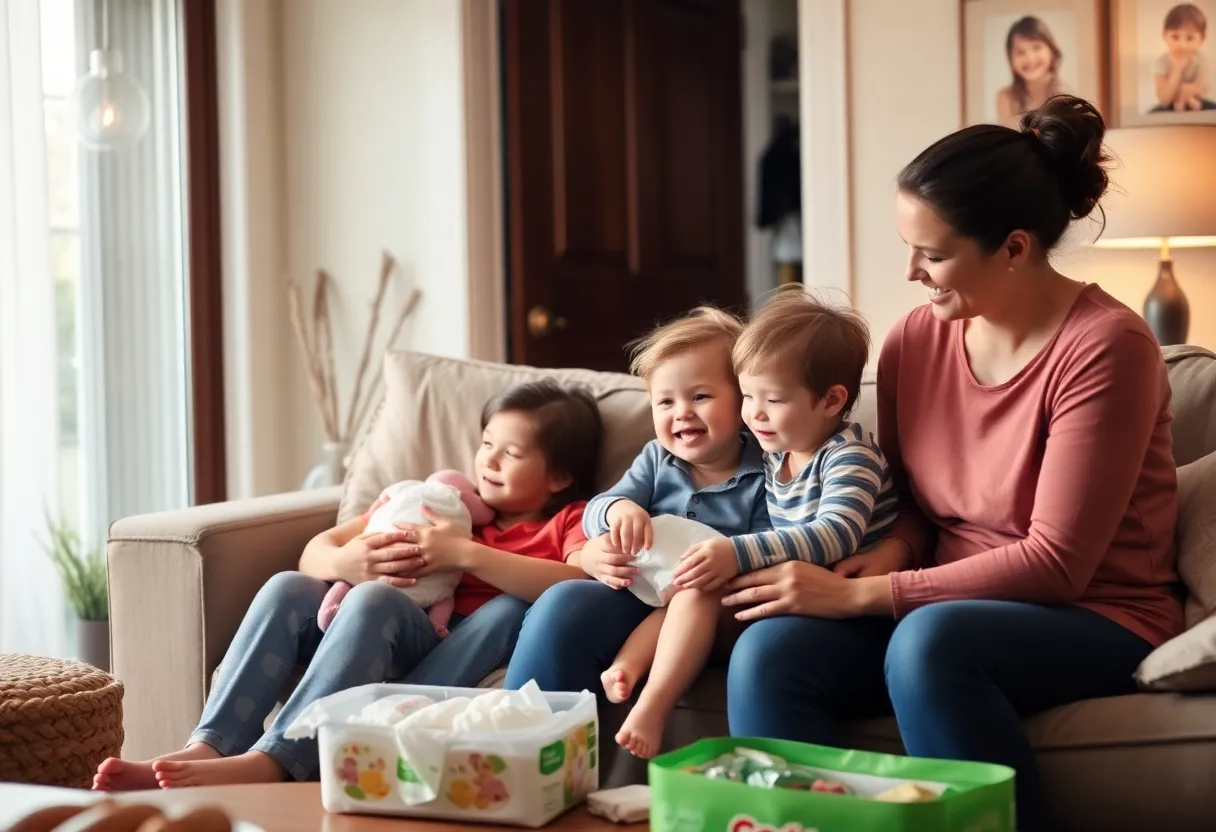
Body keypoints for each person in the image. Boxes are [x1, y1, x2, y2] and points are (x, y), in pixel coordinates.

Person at [721, 94, 1183, 832]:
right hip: (939, 598)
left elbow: (1057, 562)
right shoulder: (915, 340)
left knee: (932, 643)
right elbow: (908, 497)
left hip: (1093, 612)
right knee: (771, 649)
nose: (910, 272)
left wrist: (867, 597)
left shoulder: (1107, 348)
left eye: (932, 254)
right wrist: (898, 547)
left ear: (1014, 248)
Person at [93, 380, 602, 790]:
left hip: (450, 654)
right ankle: (208, 745)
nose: (487, 460)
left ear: (558, 477)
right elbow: (317, 550)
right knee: (288, 586)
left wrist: (467, 554)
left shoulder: (568, 522)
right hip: (370, 636)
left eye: (510, 453)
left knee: (489, 606)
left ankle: (277, 760)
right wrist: (351, 560)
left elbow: (577, 579)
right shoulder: (439, 502)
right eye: (486, 443)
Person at [604, 292, 900, 760]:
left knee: (702, 583)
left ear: (831, 400)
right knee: (693, 586)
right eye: (747, 397)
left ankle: (652, 701)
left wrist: (736, 553)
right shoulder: (779, 449)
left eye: (772, 400)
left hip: (852, 604)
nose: (753, 415)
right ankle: (637, 678)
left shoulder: (850, 456)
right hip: (798, 590)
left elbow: (836, 534)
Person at [504, 307, 769, 757]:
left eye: (701, 396)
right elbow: (597, 509)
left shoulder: (766, 471)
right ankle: (518, 747)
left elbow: (772, 545)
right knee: (563, 602)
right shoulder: (656, 459)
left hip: (712, 602)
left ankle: (649, 699)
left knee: (694, 593)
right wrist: (617, 514)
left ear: (744, 399)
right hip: (637, 590)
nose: (681, 413)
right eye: (665, 402)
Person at [995, 16, 1064, 129]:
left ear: (1051, 51)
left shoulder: (1064, 95)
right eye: (1020, 52)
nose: (1030, 58)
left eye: (1036, 48)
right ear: (1010, 59)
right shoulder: (1005, 98)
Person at [1151, 4, 1215, 112]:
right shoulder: (1161, 62)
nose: (1182, 45)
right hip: (1169, 105)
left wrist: (1182, 91)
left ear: (1202, 39)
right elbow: (1163, 98)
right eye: (1175, 37)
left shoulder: (1201, 60)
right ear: (1164, 35)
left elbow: (1203, 87)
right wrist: (1177, 69)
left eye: (1190, 38)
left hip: (1196, 101)